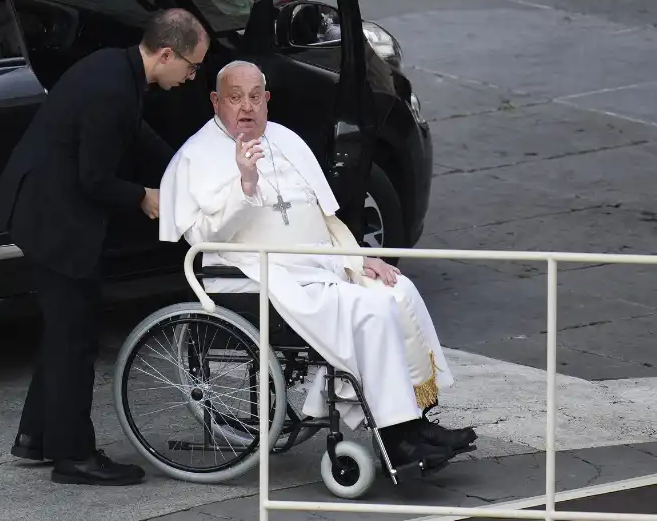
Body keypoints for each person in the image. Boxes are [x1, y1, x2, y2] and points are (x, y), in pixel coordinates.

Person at [159, 60, 476, 472]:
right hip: (256, 274)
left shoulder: (286, 140)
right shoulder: (196, 156)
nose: (247, 107)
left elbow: (326, 220)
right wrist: (245, 183)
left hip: (317, 265)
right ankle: (397, 438)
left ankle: (417, 421)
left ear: (267, 100)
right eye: (235, 97)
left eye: (256, 96)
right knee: (372, 310)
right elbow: (203, 237)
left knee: (397, 290)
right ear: (216, 101)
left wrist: (359, 258)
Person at [0, 9, 210, 486]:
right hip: (54, 219)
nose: (192, 78)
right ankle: (74, 456)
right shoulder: (112, 86)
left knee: (63, 331)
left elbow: (136, 133)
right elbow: (94, 179)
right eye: (191, 68)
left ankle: (38, 437)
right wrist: (143, 197)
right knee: (75, 337)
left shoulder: (118, 68)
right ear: (167, 54)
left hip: (45, 207)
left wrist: (184, 167)